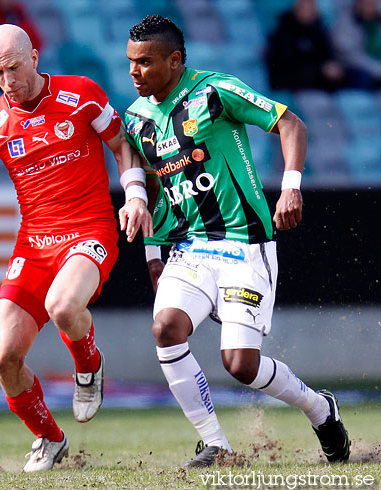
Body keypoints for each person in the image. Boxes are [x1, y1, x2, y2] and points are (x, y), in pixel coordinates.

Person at [123, 15, 351, 467]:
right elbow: (150, 189)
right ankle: (216, 444)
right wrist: (153, 251)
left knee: (240, 365)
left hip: (244, 245)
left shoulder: (215, 91)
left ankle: (320, 408)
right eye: (130, 62)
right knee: (165, 329)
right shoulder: (136, 119)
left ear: (174, 60)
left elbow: (292, 125)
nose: (134, 72)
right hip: (189, 246)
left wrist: (290, 187)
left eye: (145, 62)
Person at [0, 24, 150, 472]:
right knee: (3, 357)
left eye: (14, 68)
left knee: (64, 306)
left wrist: (135, 195)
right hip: (33, 245)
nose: (8, 81)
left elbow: (121, 144)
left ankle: (88, 368)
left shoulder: (82, 93)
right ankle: (49, 439)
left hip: (89, 230)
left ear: (34, 55)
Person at [266, 0, 346, 91]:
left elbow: (327, 55)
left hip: (319, 83)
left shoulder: (318, 30)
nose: (307, 11)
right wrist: (320, 71)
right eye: (303, 7)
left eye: (311, 8)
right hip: (294, 87)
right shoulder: (283, 32)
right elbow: (286, 68)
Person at [333, 0, 381, 88]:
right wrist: (376, 69)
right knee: (363, 76)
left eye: (373, 3)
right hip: (352, 68)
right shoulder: (344, 23)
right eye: (367, 3)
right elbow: (349, 56)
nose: (371, 7)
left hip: (377, 67)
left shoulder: (377, 22)